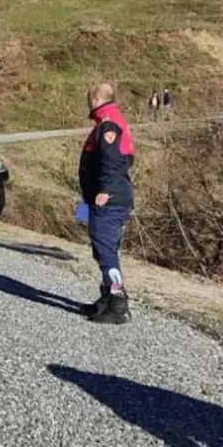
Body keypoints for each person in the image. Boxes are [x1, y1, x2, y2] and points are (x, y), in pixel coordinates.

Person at [78, 83, 135, 324]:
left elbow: (112, 161)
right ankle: (107, 295)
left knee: (105, 250)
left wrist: (104, 191)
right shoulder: (111, 121)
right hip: (104, 198)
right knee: (101, 247)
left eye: (89, 100)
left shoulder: (109, 124)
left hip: (109, 200)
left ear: (96, 99)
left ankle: (117, 303)